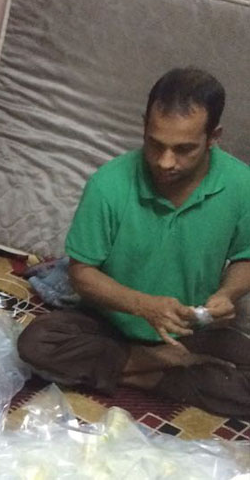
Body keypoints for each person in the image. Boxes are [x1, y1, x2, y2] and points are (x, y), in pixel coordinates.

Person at [17, 67, 250, 418]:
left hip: (190, 328)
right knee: (36, 344)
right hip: (111, 323)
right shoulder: (109, 184)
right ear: (144, 126)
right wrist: (143, 306)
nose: (165, 162)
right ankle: (166, 367)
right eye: (155, 144)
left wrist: (227, 294)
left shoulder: (241, 185)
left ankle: (137, 369)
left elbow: (246, 258)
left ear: (213, 137)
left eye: (184, 149)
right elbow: (81, 274)